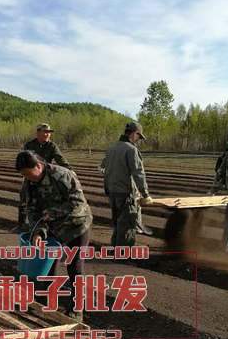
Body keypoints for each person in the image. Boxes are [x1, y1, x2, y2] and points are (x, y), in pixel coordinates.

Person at [16, 150, 91, 322]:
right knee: (48, 266)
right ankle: (47, 300)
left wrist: (51, 213)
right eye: (24, 175)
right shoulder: (29, 183)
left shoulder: (62, 175)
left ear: (39, 166)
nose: (28, 178)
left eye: (29, 173)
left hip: (76, 226)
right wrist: (38, 232)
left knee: (75, 267)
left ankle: (77, 309)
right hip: (52, 227)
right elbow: (33, 209)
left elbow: (77, 204)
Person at [100, 122, 153, 247]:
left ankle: (115, 250)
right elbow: (138, 173)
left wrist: (108, 188)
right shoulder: (131, 150)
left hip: (112, 193)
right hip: (126, 194)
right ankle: (123, 256)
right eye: (139, 137)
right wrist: (145, 194)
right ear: (135, 134)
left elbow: (103, 169)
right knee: (127, 226)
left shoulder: (112, 148)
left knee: (118, 224)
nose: (138, 140)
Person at [15, 123, 71, 231]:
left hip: (45, 177)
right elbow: (22, 160)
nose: (47, 135)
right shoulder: (29, 145)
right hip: (31, 176)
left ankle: (44, 226)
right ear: (38, 133)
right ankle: (21, 224)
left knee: (45, 201)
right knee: (24, 198)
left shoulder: (52, 146)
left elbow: (61, 160)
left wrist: (70, 172)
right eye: (45, 132)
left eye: (49, 133)